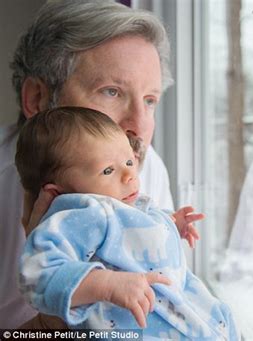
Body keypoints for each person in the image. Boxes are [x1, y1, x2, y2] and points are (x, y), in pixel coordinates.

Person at [0, 0, 175, 328]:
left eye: (150, 100)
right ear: (37, 99)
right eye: (112, 92)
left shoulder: (145, 167)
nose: (138, 125)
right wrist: (48, 325)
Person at [15, 107, 238, 340]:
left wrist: (171, 222)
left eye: (130, 162)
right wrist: (108, 284)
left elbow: (132, 234)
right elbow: (36, 273)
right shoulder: (87, 211)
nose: (129, 175)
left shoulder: (120, 206)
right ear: (59, 193)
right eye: (108, 170)